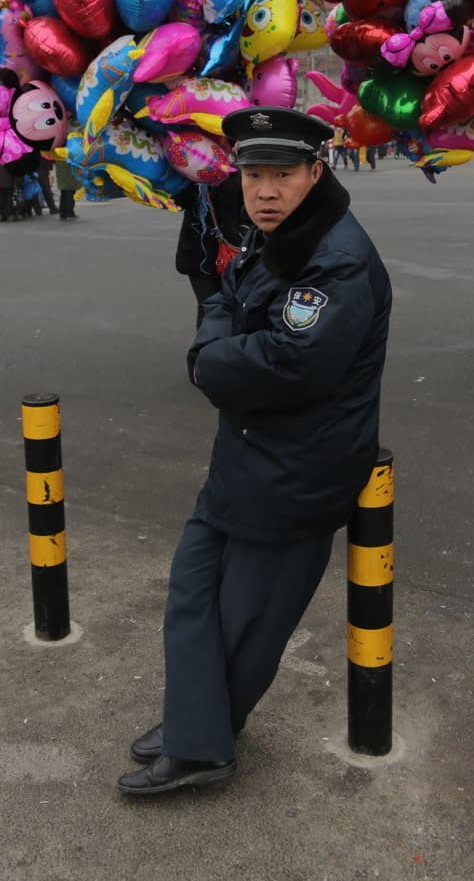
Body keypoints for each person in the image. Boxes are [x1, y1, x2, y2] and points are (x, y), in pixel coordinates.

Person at [118, 106, 392, 797]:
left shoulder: (336, 259)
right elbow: (224, 300)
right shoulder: (275, 237)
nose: (265, 190)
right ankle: (195, 725)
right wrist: (218, 342)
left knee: (246, 622)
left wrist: (210, 359)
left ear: (316, 171)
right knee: (191, 592)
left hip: (298, 471)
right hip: (248, 456)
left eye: (283, 175)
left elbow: (289, 363)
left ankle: (204, 744)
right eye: (253, 174)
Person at [176, 174, 250, 324]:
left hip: (236, 253)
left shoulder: (246, 165)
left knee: (232, 310)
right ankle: (208, 346)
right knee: (210, 310)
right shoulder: (192, 164)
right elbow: (179, 200)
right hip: (201, 253)